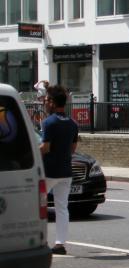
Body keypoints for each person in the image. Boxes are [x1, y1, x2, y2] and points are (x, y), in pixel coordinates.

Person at [40, 85, 78, 255]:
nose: (44, 103)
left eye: (46, 100)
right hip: (65, 171)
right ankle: (60, 244)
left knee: (35, 206)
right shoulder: (72, 123)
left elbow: (45, 148)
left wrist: (33, 150)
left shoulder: (49, 122)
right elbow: (72, 149)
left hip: (48, 172)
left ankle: (38, 241)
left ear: (53, 103)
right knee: (62, 208)